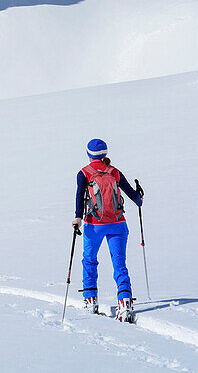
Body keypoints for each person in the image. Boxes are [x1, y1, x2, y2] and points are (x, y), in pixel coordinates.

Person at [72, 138, 144, 322]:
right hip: (118, 224)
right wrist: (139, 197)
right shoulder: (114, 172)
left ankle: (90, 300)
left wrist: (78, 218)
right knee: (119, 263)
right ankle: (125, 302)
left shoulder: (84, 173)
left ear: (89, 154)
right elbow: (134, 196)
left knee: (89, 260)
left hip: (94, 225)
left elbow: (80, 196)